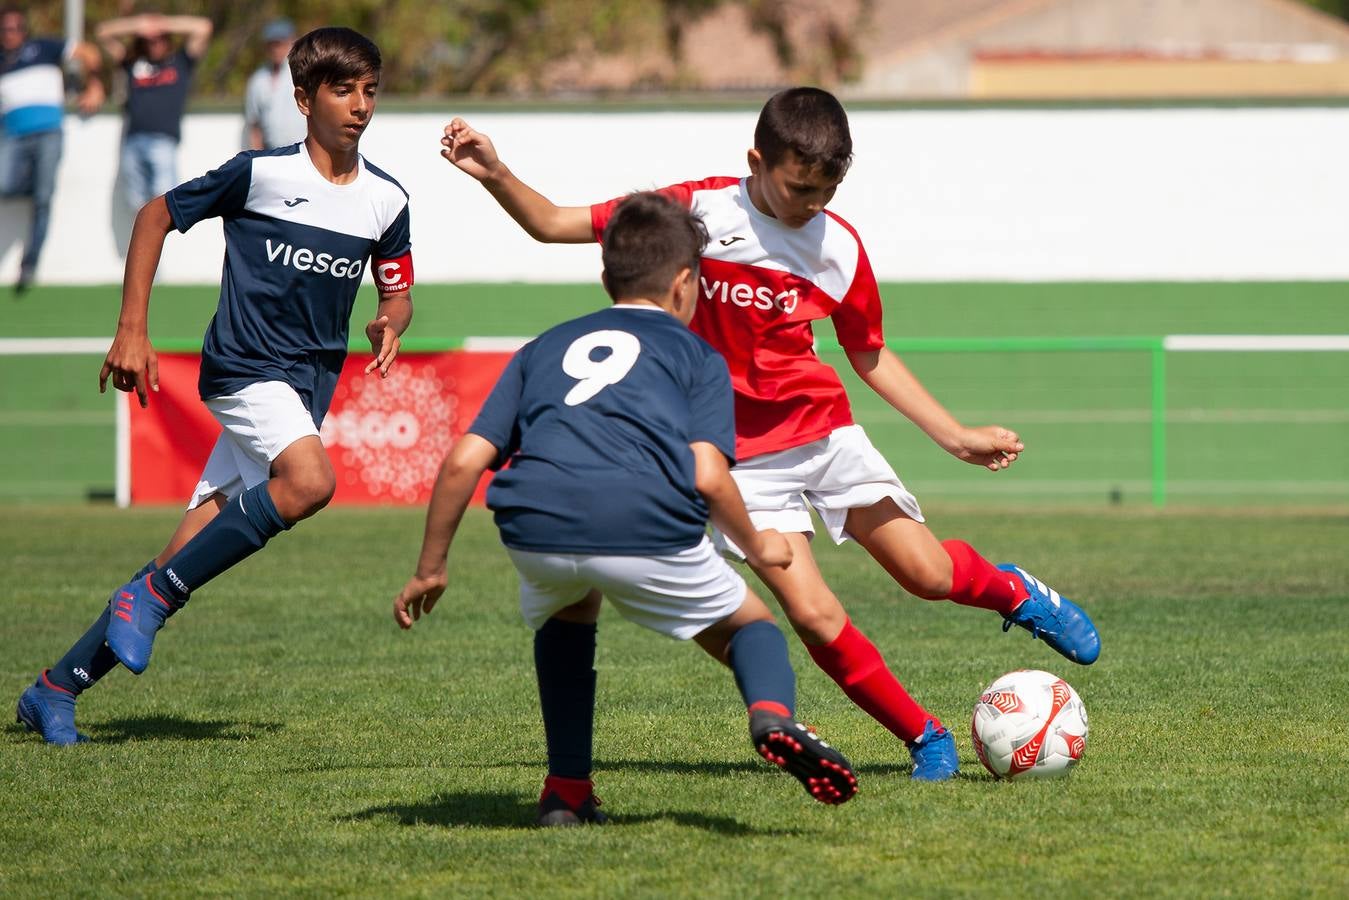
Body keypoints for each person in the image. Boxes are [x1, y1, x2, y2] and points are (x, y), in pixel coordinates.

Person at [438, 87, 1101, 783]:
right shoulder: (694, 212)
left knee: (927, 574)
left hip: (823, 434)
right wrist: (497, 174)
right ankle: (923, 736)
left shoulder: (838, 246)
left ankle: (1017, 594)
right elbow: (552, 224)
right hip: (742, 462)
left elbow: (868, 350)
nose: (811, 203)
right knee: (814, 616)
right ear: (755, 160)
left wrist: (953, 435)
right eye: (797, 187)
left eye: (828, 189)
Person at [391, 192, 858, 824]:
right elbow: (708, 474)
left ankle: (566, 793)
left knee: (569, 606)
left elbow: (462, 462)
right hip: (643, 525)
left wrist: (430, 567)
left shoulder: (544, 345)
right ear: (686, 285)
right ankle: (772, 719)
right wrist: (759, 545)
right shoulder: (697, 356)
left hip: (534, 525)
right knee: (753, 629)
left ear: (606, 276)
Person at [15, 27, 413, 746]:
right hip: (244, 369)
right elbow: (154, 215)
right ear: (302, 98)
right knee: (310, 482)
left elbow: (398, 287)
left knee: (185, 554)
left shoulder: (386, 200)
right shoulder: (259, 174)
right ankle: (154, 600)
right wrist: (132, 328)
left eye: (370, 91)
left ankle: (55, 688)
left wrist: (391, 319)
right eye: (343, 90)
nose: (360, 105)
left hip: (301, 391)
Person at [0, 3, 104, 293]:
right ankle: (37, 182)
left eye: (17, 28)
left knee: (43, 199)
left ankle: (29, 264)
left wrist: (94, 85)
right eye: (6, 29)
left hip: (47, 133)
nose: (12, 34)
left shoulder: (44, 47)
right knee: (5, 184)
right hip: (13, 136)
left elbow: (89, 52)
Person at [96, 11, 211, 212]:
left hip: (163, 141)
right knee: (137, 207)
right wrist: (139, 25)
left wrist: (164, 24)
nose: (155, 43)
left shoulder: (180, 61)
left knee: (165, 204)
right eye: (150, 40)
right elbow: (103, 33)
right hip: (133, 141)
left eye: (159, 39)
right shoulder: (133, 62)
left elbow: (203, 27)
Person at [243, 18, 305, 151]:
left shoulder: (301, 72)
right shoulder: (258, 80)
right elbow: (254, 124)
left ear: (292, 42)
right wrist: (258, 156)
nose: (276, 49)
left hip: (303, 150)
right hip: (272, 152)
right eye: (272, 44)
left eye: (280, 44)